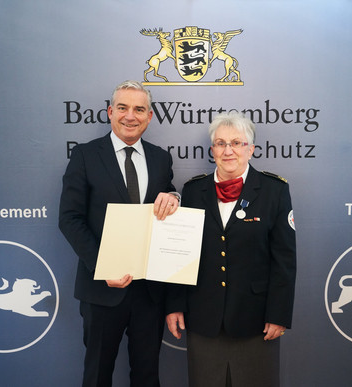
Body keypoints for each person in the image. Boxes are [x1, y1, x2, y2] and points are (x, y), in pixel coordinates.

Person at [59, 80, 180, 387]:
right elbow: (70, 219)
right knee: (97, 374)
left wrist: (174, 197)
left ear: (150, 117)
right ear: (110, 112)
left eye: (139, 109)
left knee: (147, 375)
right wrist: (104, 267)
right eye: (123, 108)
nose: (131, 116)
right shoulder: (85, 155)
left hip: (149, 291)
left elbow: (165, 196)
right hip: (102, 290)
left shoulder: (160, 158)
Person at [166, 112, 296, 387]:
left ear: (250, 149)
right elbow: (181, 254)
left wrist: (278, 314)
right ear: (212, 150)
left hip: (256, 321)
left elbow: (284, 259)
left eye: (236, 143)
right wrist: (175, 304)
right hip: (203, 318)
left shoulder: (274, 191)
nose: (228, 151)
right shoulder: (193, 191)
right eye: (221, 143)